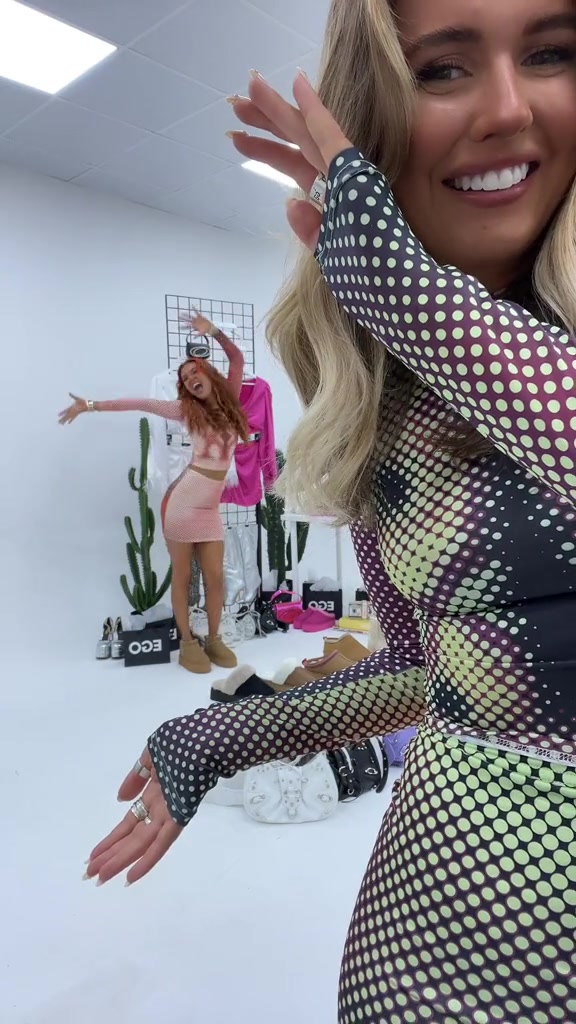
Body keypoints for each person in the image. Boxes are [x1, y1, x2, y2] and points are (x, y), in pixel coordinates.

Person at [85, 0, 576, 1020]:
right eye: (443, 68)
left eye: (552, 52)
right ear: (378, 122)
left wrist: (408, 295)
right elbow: (425, 674)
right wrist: (225, 735)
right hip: (418, 937)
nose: (506, 107)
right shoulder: (382, 412)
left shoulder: (422, 318)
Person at [60, 311, 248, 674]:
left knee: (215, 578)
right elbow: (139, 403)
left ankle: (214, 638)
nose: (190, 379)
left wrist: (214, 331)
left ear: (208, 373)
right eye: (185, 379)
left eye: (194, 372)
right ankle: (187, 642)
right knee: (183, 577)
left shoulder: (232, 397)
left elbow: (236, 358)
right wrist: (90, 405)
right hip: (182, 504)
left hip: (210, 509)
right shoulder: (185, 410)